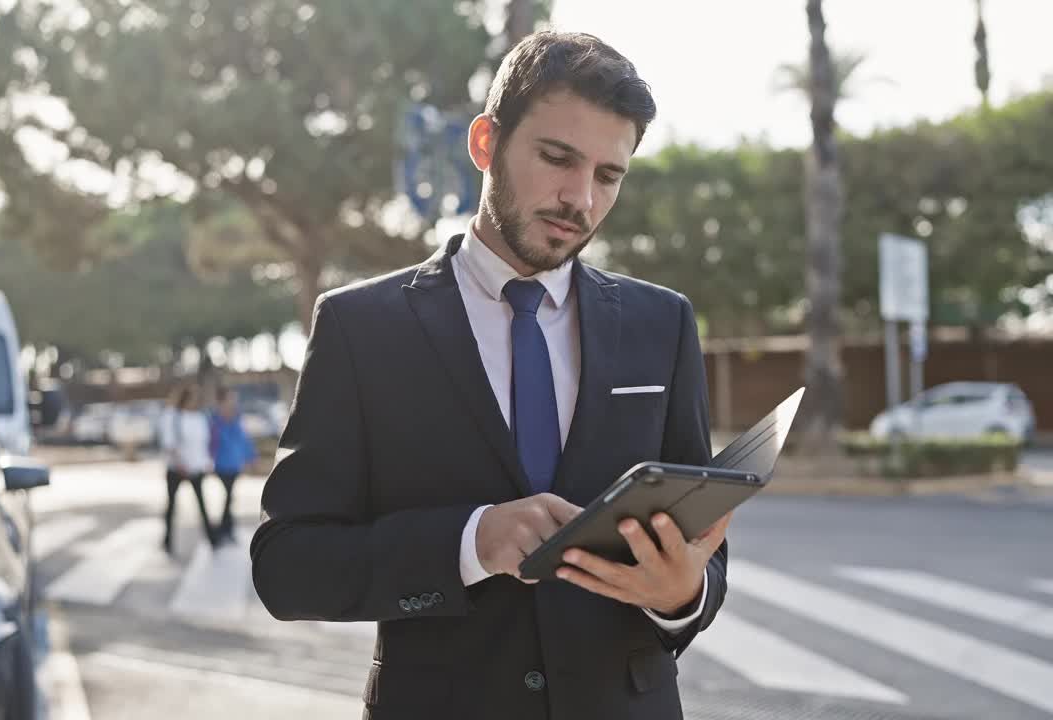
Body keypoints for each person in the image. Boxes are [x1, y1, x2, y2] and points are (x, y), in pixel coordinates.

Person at [251, 31, 729, 720]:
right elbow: (287, 567)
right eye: (557, 158)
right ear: (485, 144)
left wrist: (682, 595)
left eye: (607, 175)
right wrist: (470, 542)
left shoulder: (664, 325)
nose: (581, 200)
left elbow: (704, 562)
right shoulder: (362, 329)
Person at [160, 384, 216, 554]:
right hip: (177, 468)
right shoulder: (172, 416)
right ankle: (167, 540)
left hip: (196, 469)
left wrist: (207, 463)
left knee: (202, 504)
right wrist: (179, 463)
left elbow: (203, 444)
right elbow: (169, 443)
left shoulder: (200, 418)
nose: (195, 401)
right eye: (192, 398)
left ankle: (212, 539)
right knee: (171, 506)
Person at [209, 387, 257, 544]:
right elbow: (210, 443)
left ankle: (226, 530)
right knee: (229, 497)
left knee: (229, 498)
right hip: (222, 465)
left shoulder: (236, 420)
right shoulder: (215, 421)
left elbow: (244, 442)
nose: (233, 402)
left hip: (235, 465)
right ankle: (225, 530)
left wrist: (251, 458)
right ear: (221, 402)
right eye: (230, 399)